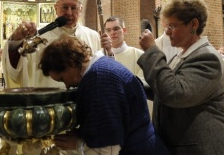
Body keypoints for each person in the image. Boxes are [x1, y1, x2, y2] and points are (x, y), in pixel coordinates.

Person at [137, 0, 224, 155]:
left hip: (207, 147)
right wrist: (133, 82)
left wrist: (151, 51)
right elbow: (164, 85)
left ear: (193, 24)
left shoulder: (207, 58)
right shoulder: (184, 55)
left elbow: (175, 93)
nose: (167, 32)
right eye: (166, 27)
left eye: (172, 26)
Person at [38, 34, 170, 155]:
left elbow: (108, 149)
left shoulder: (98, 79)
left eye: (62, 79)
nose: (66, 86)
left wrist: (78, 144)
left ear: (71, 63)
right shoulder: (102, 67)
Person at [1, 0, 101, 89]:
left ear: (80, 10)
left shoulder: (93, 36)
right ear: (55, 9)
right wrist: (16, 41)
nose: (69, 13)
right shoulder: (40, 36)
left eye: (74, 8)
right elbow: (17, 71)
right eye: (64, 7)